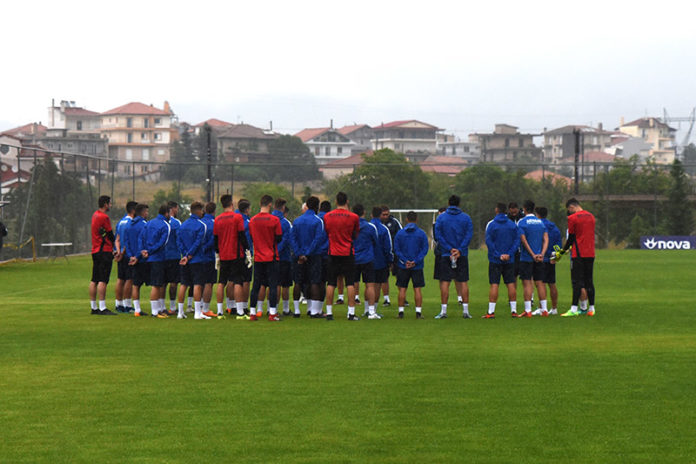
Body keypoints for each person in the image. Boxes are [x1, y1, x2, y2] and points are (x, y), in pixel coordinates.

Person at [433, 194, 473, 319]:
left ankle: (443, 311)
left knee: (445, 282)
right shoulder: (466, 218)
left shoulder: (441, 218)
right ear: (459, 204)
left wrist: (450, 249)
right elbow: (468, 235)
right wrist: (459, 249)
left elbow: (438, 236)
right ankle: (465, 311)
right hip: (462, 254)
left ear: (448, 203)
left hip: (446, 254)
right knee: (463, 281)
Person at [323, 192, 360, 321]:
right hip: (347, 252)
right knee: (350, 283)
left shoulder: (327, 216)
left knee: (331, 283)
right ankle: (351, 313)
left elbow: (327, 232)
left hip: (333, 252)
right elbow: (355, 234)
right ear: (347, 201)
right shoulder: (354, 217)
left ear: (336, 201)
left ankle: (329, 313)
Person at [557, 198, 597, 317]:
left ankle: (573, 309)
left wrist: (562, 251)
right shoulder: (591, 216)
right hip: (590, 253)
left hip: (578, 253)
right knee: (589, 280)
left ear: (571, 207)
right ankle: (592, 308)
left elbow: (571, 238)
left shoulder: (572, 218)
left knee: (576, 282)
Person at [214, 194, 249, 319]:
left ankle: (219, 312)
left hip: (223, 255)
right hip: (236, 254)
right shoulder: (237, 217)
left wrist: (218, 253)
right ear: (231, 204)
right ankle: (240, 312)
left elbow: (216, 239)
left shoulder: (217, 219)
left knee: (221, 282)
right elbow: (241, 235)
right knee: (238, 282)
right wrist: (247, 250)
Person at [248, 195, 283, 321]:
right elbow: (279, 238)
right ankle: (272, 313)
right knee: (273, 285)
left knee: (256, 285)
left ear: (260, 204)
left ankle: (252, 312)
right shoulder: (274, 220)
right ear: (270, 205)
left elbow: (252, 237)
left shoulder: (252, 220)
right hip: (271, 256)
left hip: (258, 257)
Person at [483, 203, 521, 318]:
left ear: (496, 210)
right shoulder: (512, 225)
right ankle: (514, 310)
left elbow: (489, 241)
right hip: (509, 259)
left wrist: (498, 255)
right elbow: (517, 241)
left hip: (495, 259)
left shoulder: (492, 224)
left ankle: (491, 311)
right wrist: (509, 254)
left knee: (494, 284)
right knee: (510, 283)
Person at [291, 196, 324, 318]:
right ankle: (313, 311)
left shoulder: (297, 221)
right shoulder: (318, 221)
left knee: (298, 282)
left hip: (298, 255)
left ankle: (296, 311)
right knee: (314, 281)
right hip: (313, 255)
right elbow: (317, 239)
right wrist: (308, 253)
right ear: (316, 207)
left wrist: (299, 253)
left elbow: (292, 238)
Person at [516, 200, 549, 318]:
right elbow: (546, 238)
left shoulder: (522, 222)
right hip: (539, 258)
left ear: (524, 208)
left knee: (527, 283)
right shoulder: (540, 222)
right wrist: (542, 254)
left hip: (527, 258)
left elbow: (523, 239)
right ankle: (544, 309)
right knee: (540, 283)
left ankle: (528, 310)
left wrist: (532, 254)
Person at [393, 211, 429, 319]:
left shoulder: (400, 233)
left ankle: (401, 312)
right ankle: (418, 312)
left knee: (402, 289)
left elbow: (397, 249)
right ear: (416, 219)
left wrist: (405, 261)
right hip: (417, 266)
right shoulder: (421, 233)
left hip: (403, 265)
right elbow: (424, 249)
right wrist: (415, 261)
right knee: (417, 289)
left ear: (406, 219)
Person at [177, 201, 209, 319]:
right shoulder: (201, 225)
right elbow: (198, 242)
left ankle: (180, 312)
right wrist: (190, 255)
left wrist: (185, 255)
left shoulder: (182, 225)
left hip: (184, 259)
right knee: (197, 284)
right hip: (197, 258)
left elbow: (179, 241)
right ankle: (197, 312)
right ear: (199, 210)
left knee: (184, 284)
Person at [142, 204, 172, 318]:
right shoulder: (165, 225)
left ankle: (158, 309)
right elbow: (162, 243)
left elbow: (142, 237)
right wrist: (150, 251)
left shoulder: (149, 223)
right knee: (156, 285)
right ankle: (155, 312)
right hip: (157, 257)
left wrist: (143, 250)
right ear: (166, 213)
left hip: (148, 257)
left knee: (157, 284)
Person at [89, 195, 117, 315]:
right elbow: (110, 234)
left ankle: (94, 307)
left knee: (94, 279)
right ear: (105, 204)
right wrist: (115, 245)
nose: (110, 205)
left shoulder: (94, 215)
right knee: (103, 279)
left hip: (95, 250)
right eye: (109, 203)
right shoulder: (104, 217)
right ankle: (102, 307)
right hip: (104, 250)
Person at [352, 204, 379, 319]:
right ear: (364, 212)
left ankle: (351, 311)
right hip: (367, 258)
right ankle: (371, 312)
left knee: (352, 285)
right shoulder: (370, 227)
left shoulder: (351, 226)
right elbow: (376, 241)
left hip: (354, 258)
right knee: (370, 285)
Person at [535, 207, 561, 316]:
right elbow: (558, 245)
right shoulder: (554, 228)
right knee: (552, 284)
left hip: (541, 257)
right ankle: (554, 309)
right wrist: (555, 257)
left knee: (541, 284)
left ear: (538, 215)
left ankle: (542, 308)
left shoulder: (538, 226)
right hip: (551, 258)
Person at [125, 203, 149, 316]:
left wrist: (131, 256)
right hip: (142, 259)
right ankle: (158, 308)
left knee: (135, 284)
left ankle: (137, 310)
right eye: (146, 211)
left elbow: (127, 243)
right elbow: (143, 242)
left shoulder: (129, 225)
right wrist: (138, 257)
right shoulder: (144, 225)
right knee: (156, 284)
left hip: (132, 258)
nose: (147, 213)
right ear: (143, 212)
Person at [114, 200, 137, 313]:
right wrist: (123, 253)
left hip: (121, 255)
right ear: (133, 210)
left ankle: (118, 304)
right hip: (127, 254)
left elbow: (117, 239)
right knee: (129, 279)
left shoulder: (121, 222)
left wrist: (118, 252)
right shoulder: (131, 223)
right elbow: (128, 241)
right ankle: (127, 305)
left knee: (120, 279)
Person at [272, 198, 294, 316]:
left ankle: (272, 308)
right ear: (283, 207)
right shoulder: (285, 223)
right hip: (284, 257)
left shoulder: (269, 219)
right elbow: (286, 240)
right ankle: (285, 309)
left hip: (269, 256)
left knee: (273, 284)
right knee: (284, 284)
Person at [370, 206, 394, 312]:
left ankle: (367, 309)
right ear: (380, 215)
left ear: (371, 215)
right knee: (377, 286)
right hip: (380, 262)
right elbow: (387, 248)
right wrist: (390, 261)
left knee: (368, 285)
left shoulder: (366, 227)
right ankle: (373, 310)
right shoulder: (384, 229)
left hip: (367, 260)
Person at [380, 205, 403, 307]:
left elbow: (401, 234)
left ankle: (402, 297)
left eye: (387, 214)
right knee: (384, 277)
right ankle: (386, 299)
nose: (385, 216)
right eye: (383, 215)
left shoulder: (394, 222)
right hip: (383, 254)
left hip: (395, 253)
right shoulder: (377, 224)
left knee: (399, 275)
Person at [163, 201, 181, 316]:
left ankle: (161, 306)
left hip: (162, 256)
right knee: (174, 282)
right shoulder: (176, 223)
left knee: (163, 283)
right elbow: (179, 239)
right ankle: (173, 307)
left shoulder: (161, 222)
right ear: (173, 209)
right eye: (177, 208)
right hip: (174, 256)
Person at [200, 202, 218, 318]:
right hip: (209, 256)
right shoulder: (214, 223)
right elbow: (214, 240)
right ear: (214, 211)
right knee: (209, 283)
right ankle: (205, 309)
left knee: (199, 283)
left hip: (198, 257)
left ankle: (199, 306)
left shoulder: (200, 222)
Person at [236, 199, 253, 316]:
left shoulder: (235, 219)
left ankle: (232, 305)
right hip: (246, 253)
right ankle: (244, 306)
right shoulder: (248, 222)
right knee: (246, 281)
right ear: (247, 210)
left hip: (235, 253)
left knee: (234, 280)